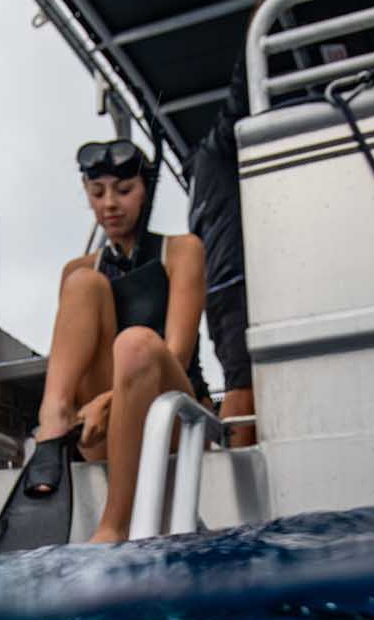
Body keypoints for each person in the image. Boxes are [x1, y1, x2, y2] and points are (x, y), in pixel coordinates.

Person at [23, 139, 207, 544]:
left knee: (136, 344)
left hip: (172, 416)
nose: (110, 204)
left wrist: (109, 402)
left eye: (124, 191)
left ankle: (115, 524)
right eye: (97, 192)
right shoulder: (77, 268)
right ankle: (50, 426)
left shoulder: (182, 250)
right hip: (99, 428)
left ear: (147, 191)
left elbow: (177, 352)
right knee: (84, 282)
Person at [186, 53, 256, 447]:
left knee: (240, 376)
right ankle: (240, 462)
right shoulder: (214, 156)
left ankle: (240, 453)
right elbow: (239, 101)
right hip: (233, 283)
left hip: (220, 290)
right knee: (243, 381)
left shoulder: (198, 189)